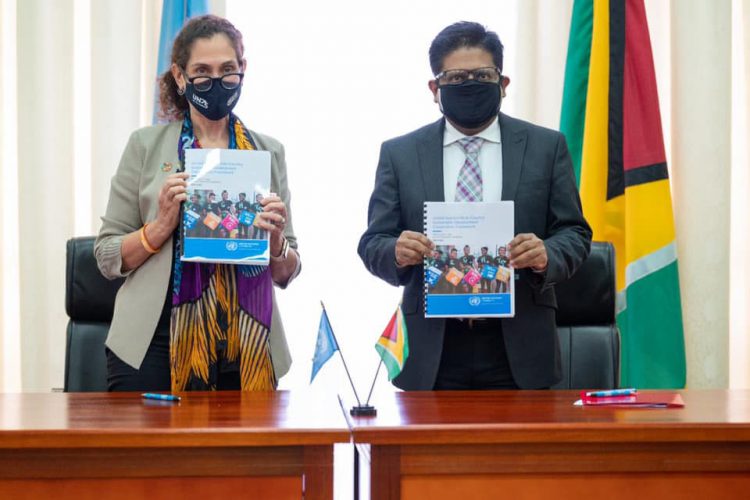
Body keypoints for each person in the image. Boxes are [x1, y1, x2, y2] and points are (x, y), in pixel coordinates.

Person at [358, 21, 592, 390]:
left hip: (519, 346)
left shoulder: (546, 147)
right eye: (455, 78)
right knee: (428, 451)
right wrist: (397, 250)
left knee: (519, 449)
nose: (469, 84)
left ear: (503, 83)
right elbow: (373, 242)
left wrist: (546, 252)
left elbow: (575, 233)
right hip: (433, 347)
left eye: (482, 75)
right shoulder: (400, 154)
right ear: (434, 89)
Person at [95, 15, 300, 392]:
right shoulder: (145, 146)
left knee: (243, 454)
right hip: (152, 343)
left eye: (228, 70)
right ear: (179, 76)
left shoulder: (268, 151)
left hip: (247, 342)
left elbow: (287, 272)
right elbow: (107, 257)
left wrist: (275, 243)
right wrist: (159, 228)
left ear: (243, 70)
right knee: (153, 454)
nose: (216, 81)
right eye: (202, 71)